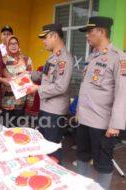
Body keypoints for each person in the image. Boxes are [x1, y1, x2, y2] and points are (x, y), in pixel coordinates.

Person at [76, 16, 126, 190]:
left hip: (102, 124)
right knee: (82, 156)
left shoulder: (118, 58)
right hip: (84, 120)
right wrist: (78, 113)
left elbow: (122, 93)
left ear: (102, 32)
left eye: (90, 32)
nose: (86, 36)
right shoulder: (92, 57)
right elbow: (86, 88)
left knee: (103, 163)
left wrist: (115, 125)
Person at [29, 24, 74, 162]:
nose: (43, 41)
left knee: (52, 147)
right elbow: (45, 76)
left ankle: (54, 176)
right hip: (46, 107)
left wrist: (38, 89)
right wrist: (28, 74)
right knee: (44, 144)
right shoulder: (52, 57)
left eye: (45, 37)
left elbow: (61, 86)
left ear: (55, 36)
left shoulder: (64, 59)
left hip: (55, 111)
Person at [1, 35, 32, 127]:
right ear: (7, 45)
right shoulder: (3, 60)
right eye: (10, 44)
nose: (13, 46)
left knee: (17, 128)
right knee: (6, 128)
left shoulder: (26, 59)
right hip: (6, 100)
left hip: (20, 100)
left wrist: (30, 98)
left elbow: (30, 79)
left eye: (15, 43)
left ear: (18, 45)